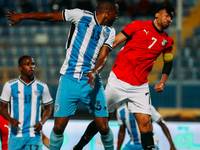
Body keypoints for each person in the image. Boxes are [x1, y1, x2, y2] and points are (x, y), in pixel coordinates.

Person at [6, 0, 119, 149]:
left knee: (104, 127)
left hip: (91, 81)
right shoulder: (80, 16)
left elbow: (103, 56)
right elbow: (51, 16)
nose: (116, 18)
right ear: (108, 12)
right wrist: (23, 16)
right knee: (58, 127)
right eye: (116, 14)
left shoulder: (110, 32)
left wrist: (95, 72)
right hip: (69, 80)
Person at [73, 2, 175, 150]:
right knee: (102, 119)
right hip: (118, 80)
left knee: (145, 124)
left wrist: (163, 81)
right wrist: (96, 60)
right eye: (167, 15)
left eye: (171, 18)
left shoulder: (168, 42)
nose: (169, 20)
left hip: (139, 86)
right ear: (157, 14)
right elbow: (113, 43)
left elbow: (168, 63)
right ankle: (79, 147)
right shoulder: (137, 25)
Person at [0, 55, 53, 150]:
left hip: (34, 136)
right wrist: (11, 120)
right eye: (27, 64)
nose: (31, 66)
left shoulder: (42, 87)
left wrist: (42, 122)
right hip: (15, 136)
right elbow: (2, 108)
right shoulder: (10, 86)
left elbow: (48, 108)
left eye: (33, 64)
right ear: (20, 68)